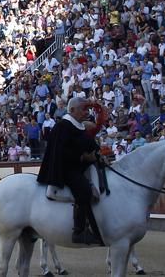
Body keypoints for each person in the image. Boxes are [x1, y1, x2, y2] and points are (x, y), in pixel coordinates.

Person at [36, 97, 103, 245]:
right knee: (84, 190)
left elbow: (87, 143)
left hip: (77, 166)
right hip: (66, 168)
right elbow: (61, 152)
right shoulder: (63, 126)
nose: (85, 112)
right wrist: (83, 157)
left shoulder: (77, 126)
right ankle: (79, 232)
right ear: (72, 110)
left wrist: (97, 153)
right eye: (83, 109)